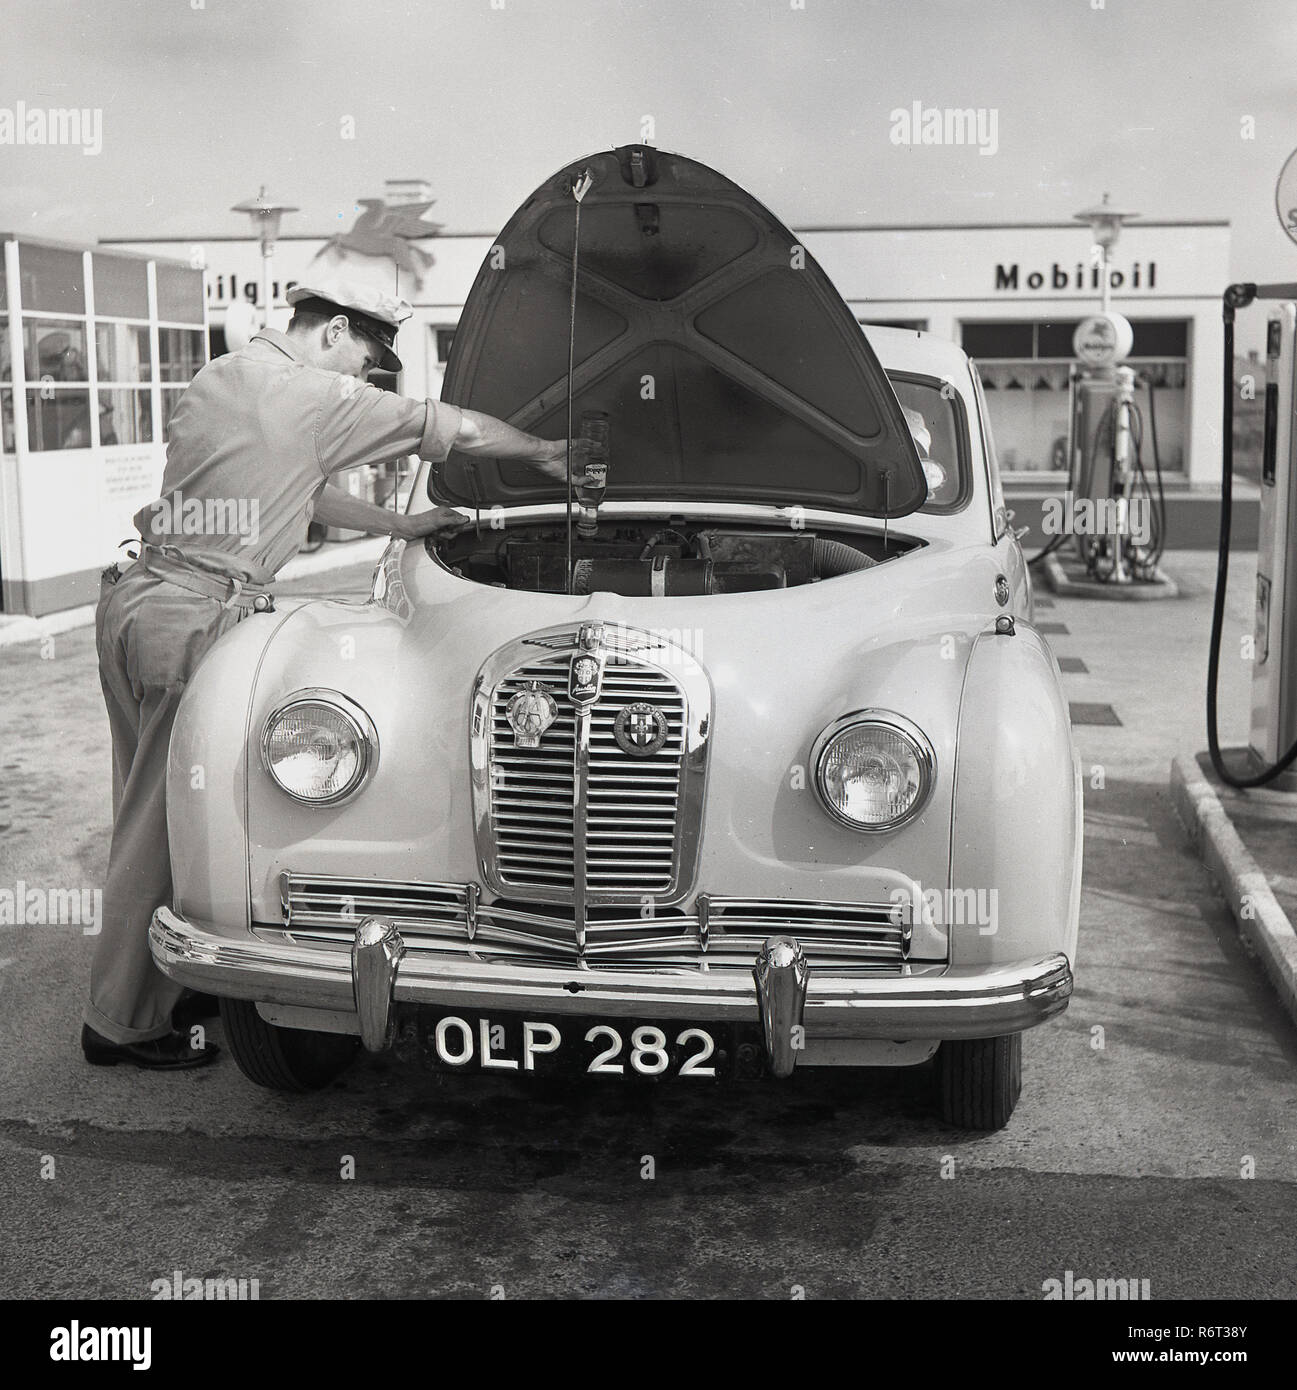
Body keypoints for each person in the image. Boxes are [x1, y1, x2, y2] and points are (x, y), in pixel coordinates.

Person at [83, 278, 584, 1070]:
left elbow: (302, 489)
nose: (365, 376)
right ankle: (121, 1023)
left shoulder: (221, 377)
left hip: (134, 601)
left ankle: (158, 982)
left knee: (145, 803)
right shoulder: (315, 396)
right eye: (366, 357)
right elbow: (459, 432)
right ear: (336, 330)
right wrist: (545, 451)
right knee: (162, 822)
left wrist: (400, 524)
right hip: (192, 615)